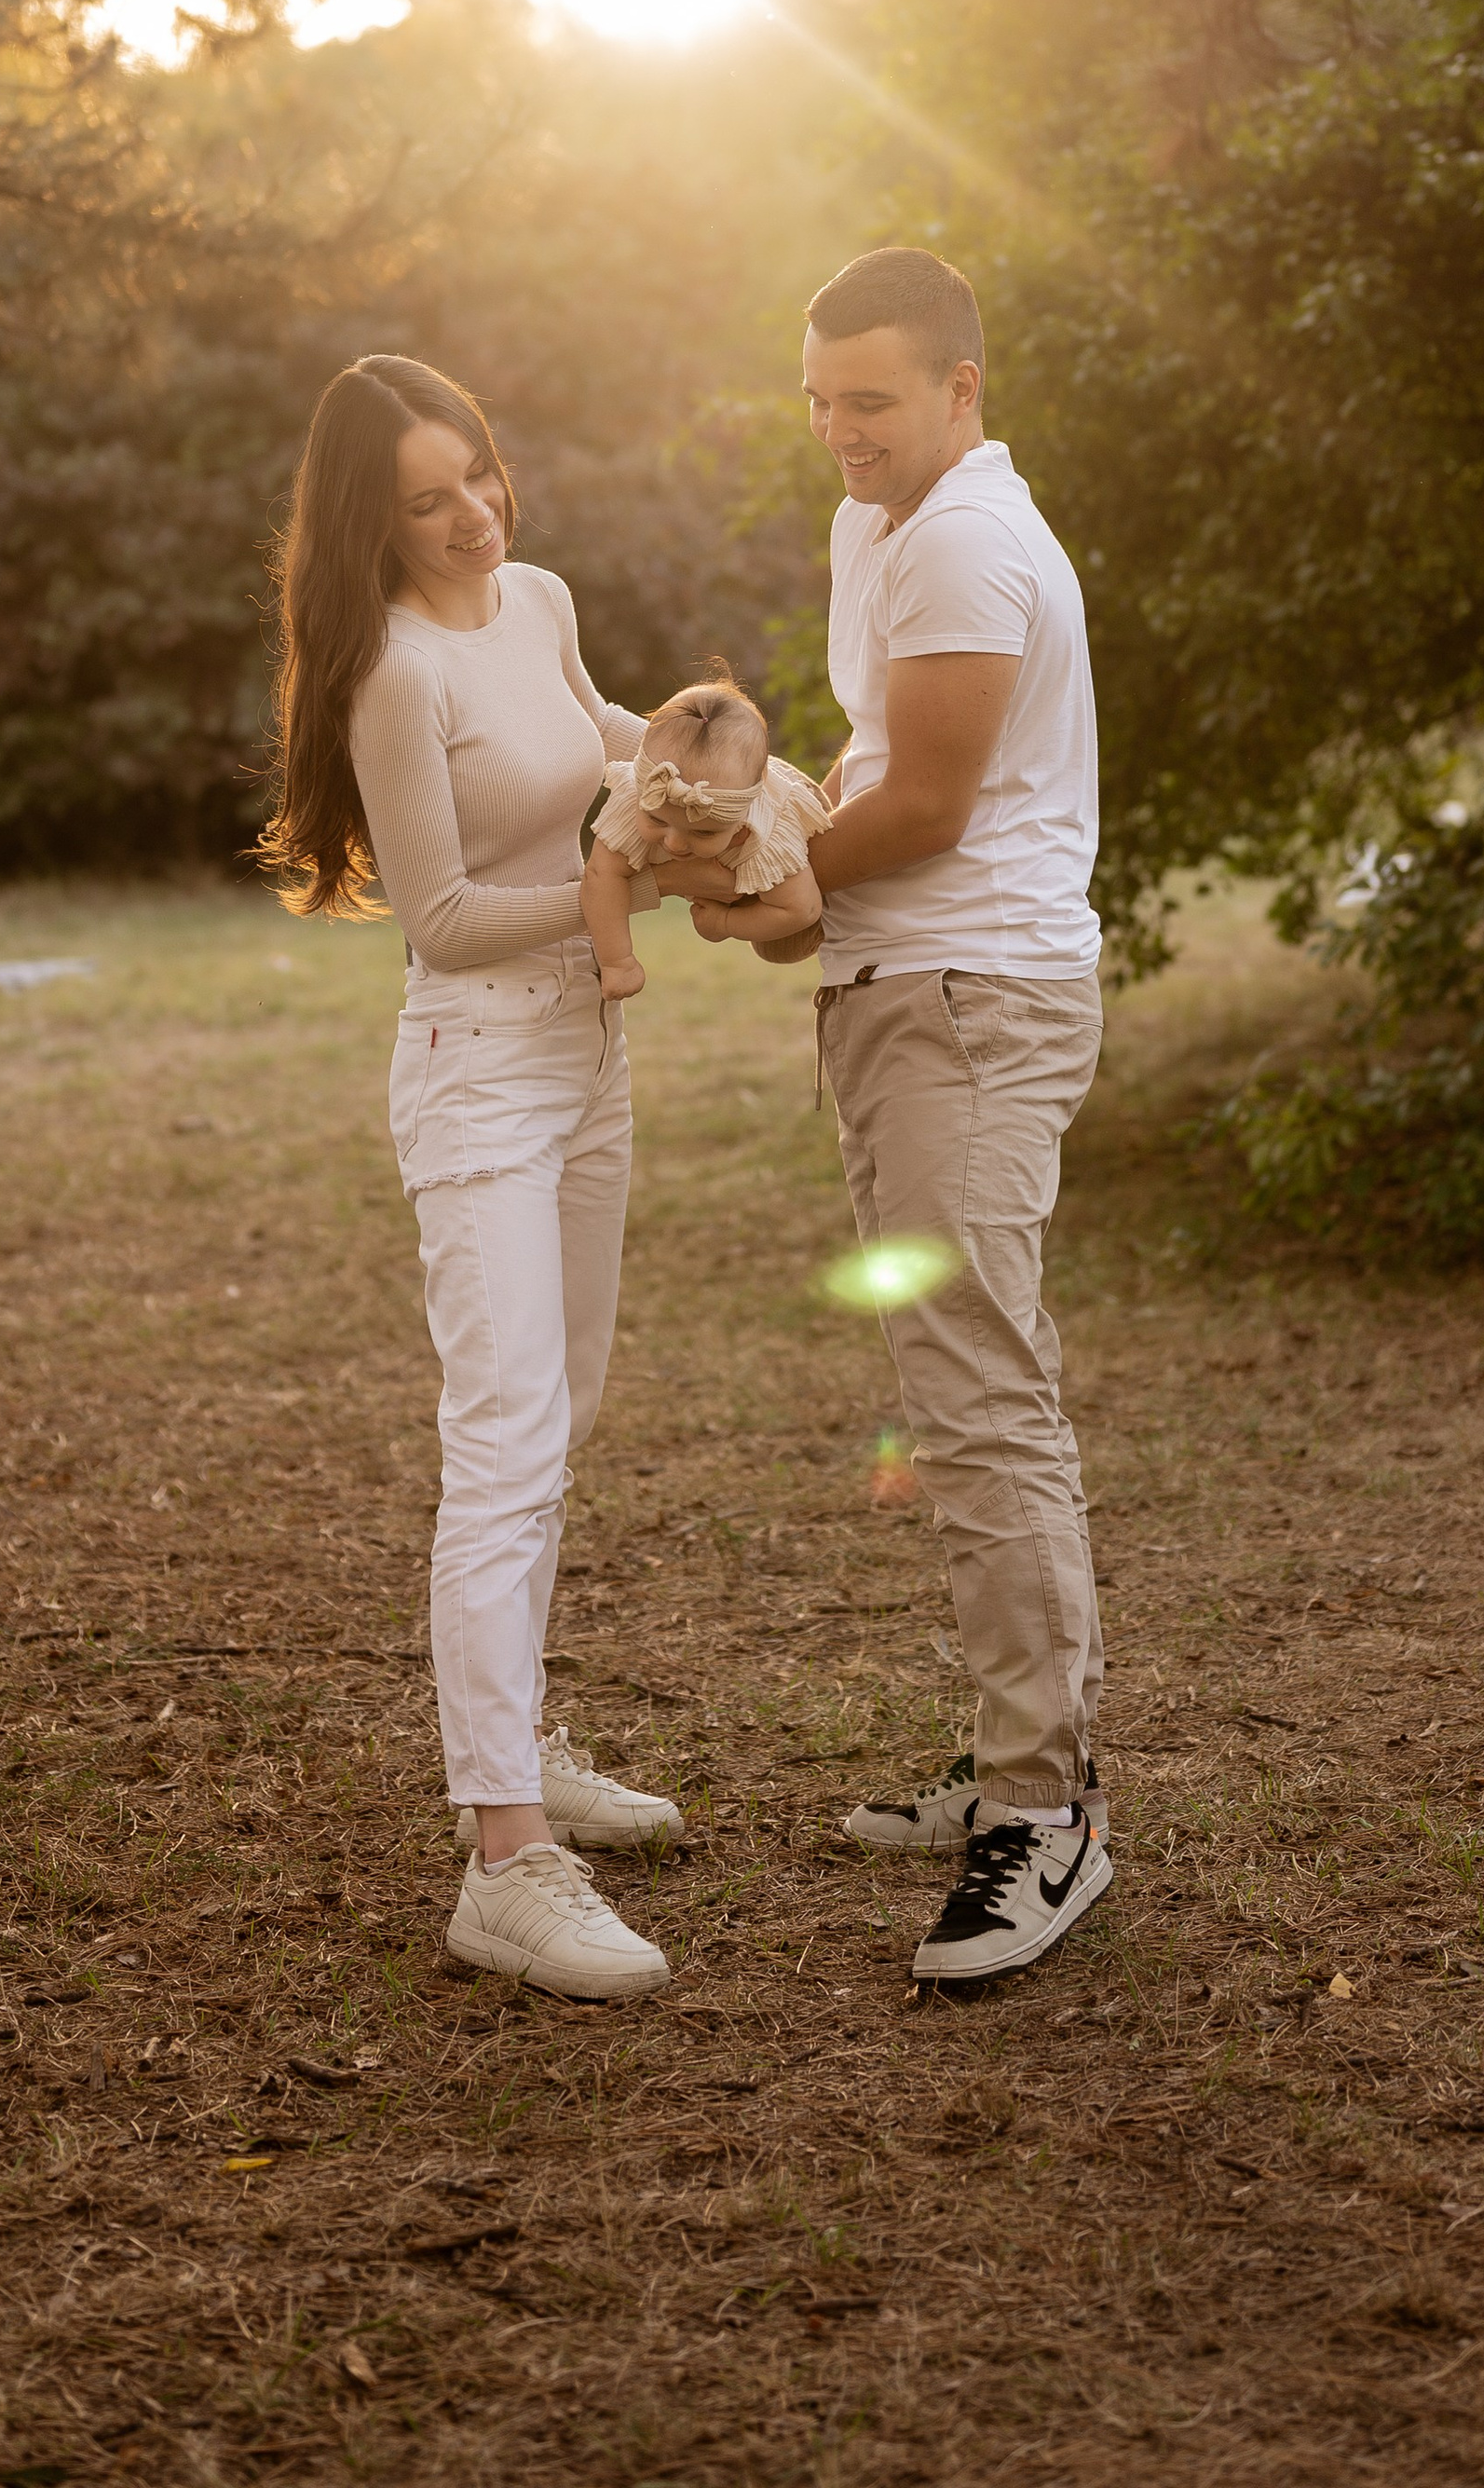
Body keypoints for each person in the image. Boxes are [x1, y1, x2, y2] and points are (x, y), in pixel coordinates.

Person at [679, 249, 1111, 1988]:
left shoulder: (961, 539)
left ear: (959, 391)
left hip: (970, 1005)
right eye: (817, 400)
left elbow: (926, 805)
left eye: (871, 399)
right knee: (955, 1388)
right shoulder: (881, 528)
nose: (839, 431)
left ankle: (1046, 1815)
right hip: (899, 998)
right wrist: (743, 817)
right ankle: (1014, 1750)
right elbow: (877, 761)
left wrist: (758, 872)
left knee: (984, 1396)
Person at [261, 351, 683, 2003]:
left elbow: (609, 740)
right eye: (428, 499)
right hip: (479, 1073)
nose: (471, 515)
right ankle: (504, 1856)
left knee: (563, 1406)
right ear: (376, 518)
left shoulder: (542, 601)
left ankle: (521, 1733)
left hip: (587, 1059)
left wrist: (728, 773)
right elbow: (437, 917)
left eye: (482, 475)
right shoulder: (392, 673)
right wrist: (610, 880)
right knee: (503, 1436)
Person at [578, 676, 831, 1000]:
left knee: (785, 948)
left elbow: (802, 909)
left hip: (794, 854)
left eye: (702, 831)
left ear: (740, 820)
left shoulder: (764, 831)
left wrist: (726, 922)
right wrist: (617, 961)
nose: (674, 843)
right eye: (657, 820)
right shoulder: (636, 799)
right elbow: (600, 875)